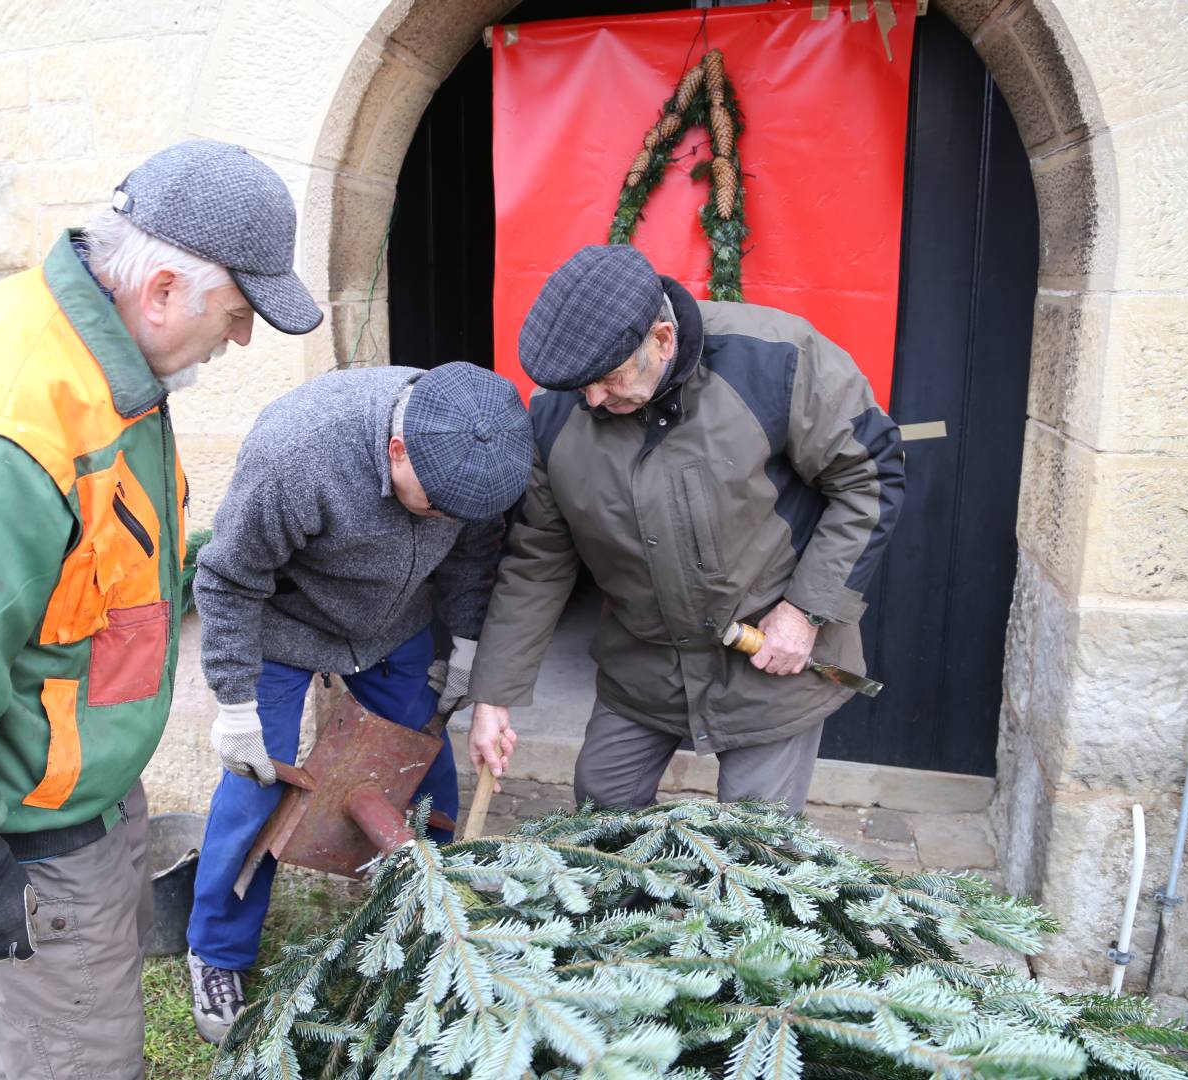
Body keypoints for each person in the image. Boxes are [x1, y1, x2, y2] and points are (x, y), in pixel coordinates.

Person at [0, 140, 323, 1080]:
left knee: (48, 1049)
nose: (241, 340)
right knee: (78, 1062)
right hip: (35, 836)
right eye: (239, 313)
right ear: (164, 288)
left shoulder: (115, 369)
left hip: (90, 798)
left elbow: (96, 575)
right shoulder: (1, 423)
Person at [466, 243, 904, 816]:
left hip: (769, 658)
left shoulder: (778, 359)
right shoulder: (562, 411)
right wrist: (493, 695)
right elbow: (537, 560)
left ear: (662, 339)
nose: (592, 400)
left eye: (607, 379)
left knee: (754, 842)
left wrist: (804, 612)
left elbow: (869, 480)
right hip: (642, 664)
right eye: (580, 387)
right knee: (602, 805)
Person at [185, 361, 534, 1043]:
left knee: (421, 761)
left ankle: (428, 907)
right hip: (285, 629)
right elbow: (226, 581)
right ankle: (218, 951)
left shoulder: (477, 456)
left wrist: (464, 643)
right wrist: (233, 704)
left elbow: (469, 559)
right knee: (258, 785)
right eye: (431, 504)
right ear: (397, 449)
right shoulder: (300, 451)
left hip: (392, 624)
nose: (442, 518)